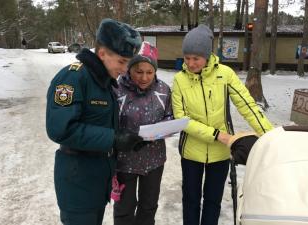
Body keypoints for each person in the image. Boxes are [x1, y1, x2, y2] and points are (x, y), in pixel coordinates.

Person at [171, 24, 274, 225]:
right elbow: (182, 120)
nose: (190, 63)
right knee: (190, 200)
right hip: (192, 152)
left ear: (207, 55)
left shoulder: (224, 74)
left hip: (220, 153)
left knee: (213, 201)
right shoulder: (179, 80)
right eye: (187, 58)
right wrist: (218, 135)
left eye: (196, 58)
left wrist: (271, 135)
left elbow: (247, 106)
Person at [46, 18, 144, 225]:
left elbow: (102, 124)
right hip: (78, 181)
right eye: (121, 61)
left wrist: (130, 140)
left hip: (98, 179)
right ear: (102, 54)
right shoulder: (73, 78)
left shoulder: (103, 81)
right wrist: (114, 138)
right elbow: (60, 130)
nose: (126, 70)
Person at [112, 41, 173, 225]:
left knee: (148, 206)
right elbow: (108, 123)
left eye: (149, 72)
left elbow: (170, 116)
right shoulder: (116, 89)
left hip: (154, 161)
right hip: (124, 162)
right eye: (139, 71)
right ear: (129, 69)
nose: (144, 77)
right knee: (125, 208)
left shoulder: (163, 89)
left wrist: (163, 128)